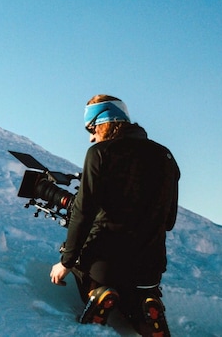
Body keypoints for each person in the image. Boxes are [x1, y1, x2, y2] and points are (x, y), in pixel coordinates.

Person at [49, 95, 179, 336]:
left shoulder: (100, 153)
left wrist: (66, 262)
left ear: (105, 122)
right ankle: (145, 308)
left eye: (92, 128)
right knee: (137, 292)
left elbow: (83, 213)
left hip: (106, 263)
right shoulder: (166, 157)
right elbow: (169, 220)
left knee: (86, 265)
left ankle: (98, 294)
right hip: (150, 267)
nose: (91, 136)